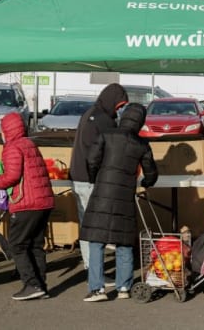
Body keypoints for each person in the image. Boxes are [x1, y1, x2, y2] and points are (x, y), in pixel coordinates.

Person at [79, 103, 158, 302]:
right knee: (124, 242)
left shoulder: (106, 135)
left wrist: (94, 178)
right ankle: (124, 287)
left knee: (96, 241)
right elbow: (151, 172)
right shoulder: (141, 144)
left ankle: (97, 289)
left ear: (123, 117)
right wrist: (146, 183)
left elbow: (91, 160)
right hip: (125, 196)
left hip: (102, 194)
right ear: (140, 122)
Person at [0, 112, 55, 300]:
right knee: (36, 245)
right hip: (44, 201)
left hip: (26, 203)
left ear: (6, 131)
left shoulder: (12, 147)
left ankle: (31, 284)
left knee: (17, 244)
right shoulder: (29, 144)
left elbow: (12, 175)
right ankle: (41, 285)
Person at [70, 83, 128, 270]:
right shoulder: (104, 121)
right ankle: (95, 272)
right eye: (119, 106)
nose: (120, 110)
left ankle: (92, 268)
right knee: (95, 228)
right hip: (90, 180)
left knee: (87, 225)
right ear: (112, 102)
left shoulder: (89, 114)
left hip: (79, 177)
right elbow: (102, 154)